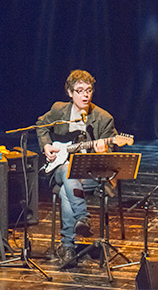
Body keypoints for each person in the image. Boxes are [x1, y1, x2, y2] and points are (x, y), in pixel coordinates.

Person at [36, 69, 117, 267]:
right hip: (61, 169)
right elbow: (41, 125)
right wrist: (46, 145)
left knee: (66, 189)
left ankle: (68, 246)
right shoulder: (58, 110)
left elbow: (111, 153)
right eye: (80, 91)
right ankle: (82, 217)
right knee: (66, 170)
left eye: (88, 90)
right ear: (70, 93)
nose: (85, 95)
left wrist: (102, 150)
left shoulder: (103, 118)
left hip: (91, 177)